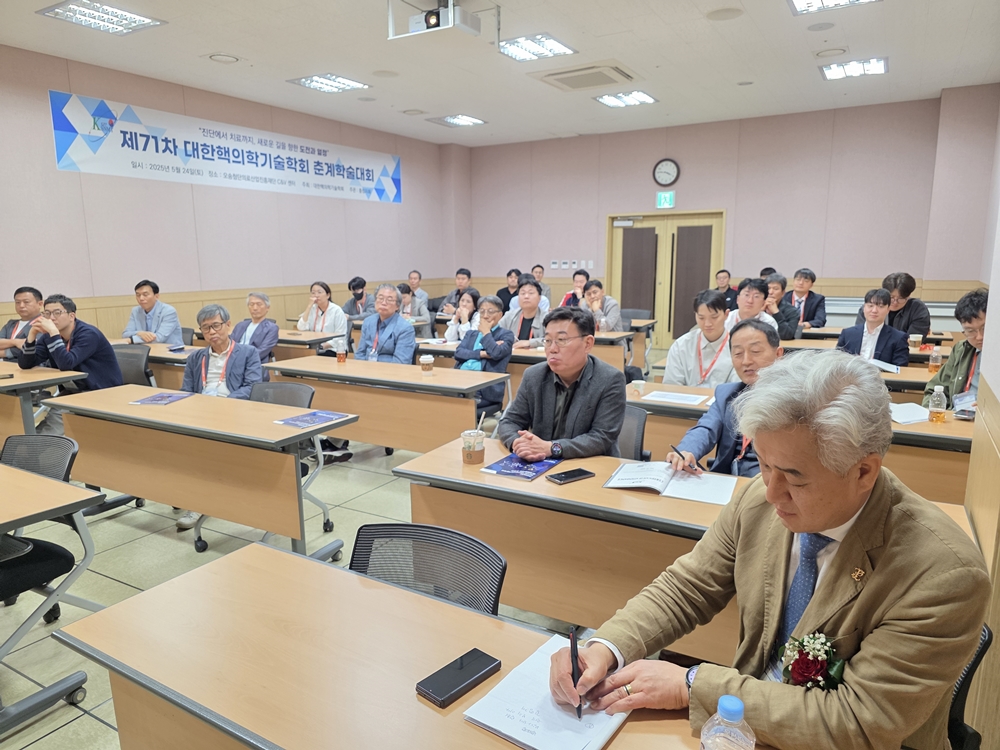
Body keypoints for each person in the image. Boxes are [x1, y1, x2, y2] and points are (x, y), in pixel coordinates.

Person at [549, 349, 989, 750]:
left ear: (863, 472)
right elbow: (688, 587)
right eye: (763, 464)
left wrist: (692, 685)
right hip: (747, 725)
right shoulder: (757, 498)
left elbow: (857, 721)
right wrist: (605, 647)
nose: (772, 492)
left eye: (795, 478)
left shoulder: (943, 574)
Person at [498, 307, 626, 460]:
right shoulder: (534, 376)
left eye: (562, 340)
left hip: (588, 465)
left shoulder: (610, 379)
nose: (552, 349)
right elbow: (510, 421)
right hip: (541, 463)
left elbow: (601, 437)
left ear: (588, 343)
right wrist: (518, 443)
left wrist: (552, 448)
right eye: (548, 341)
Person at [176, 304, 263, 530]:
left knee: (203, 449)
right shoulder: (196, 358)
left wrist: (225, 403)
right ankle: (188, 494)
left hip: (233, 412)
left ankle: (199, 502)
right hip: (201, 412)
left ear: (228, 325)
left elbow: (252, 386)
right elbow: (186, 390)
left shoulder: (248, 353)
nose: (212, 332)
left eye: (216, 325)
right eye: (206, 328)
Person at [667, 319, 782, 477]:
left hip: (769, 482)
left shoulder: (796, 400)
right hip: (727, 481)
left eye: (755, 351)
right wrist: (686, 451)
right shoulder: (727, 394)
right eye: (738, 354)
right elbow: (705, 429)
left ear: (778, 354)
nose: (746, 361)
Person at [17, 294, 123, 435]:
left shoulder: (88, 334)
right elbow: (25, 364)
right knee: (43, 423)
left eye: (57, 313)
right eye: (47, 313)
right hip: (72, 392)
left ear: (72, 316)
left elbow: (66, 363)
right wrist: (31, 336)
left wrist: (53, 333)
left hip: (100, 392)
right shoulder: (49, 336)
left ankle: (35, 446)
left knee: (50, 431)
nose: (51, 318)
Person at [923, 288, 987, 409]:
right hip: (957, 415)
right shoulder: (961, 349)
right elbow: (934, 389)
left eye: (984, 328)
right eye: (970, 331)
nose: (979, 337)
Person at [662, 290, 738, 388]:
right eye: (701, 318)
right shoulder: (681, 345)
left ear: (726, 314)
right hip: (685, 397)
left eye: (714, 317)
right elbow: (671, 386)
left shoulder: (737, 347)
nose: (707, 324)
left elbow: (736, 389)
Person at [454, 295, 514, 418]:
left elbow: (496, 353)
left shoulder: (506, 335)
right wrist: (482, 354)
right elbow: (458, 353)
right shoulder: (471, 334)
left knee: (456, 407)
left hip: (483, 391)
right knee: (436, 400)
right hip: (460, 383)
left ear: (500, 315)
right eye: (482, 311)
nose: (485, 316)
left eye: (490, 311)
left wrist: (486, 332)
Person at [837, 289, 909, 367]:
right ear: (864, 308)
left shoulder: (898, 338)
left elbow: (901, 369)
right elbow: (837, 362)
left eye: (880, 306)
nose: (874, 310)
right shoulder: (847, 334)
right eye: (870, 306)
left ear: (888, 310)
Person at [852, 272, 931, 338]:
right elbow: (860, 335)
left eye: (901, 298)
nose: (895, 302)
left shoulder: (918, 309)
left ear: (909, 296)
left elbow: (913, 339)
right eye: (891, 297)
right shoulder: (870, 309)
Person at [355, 284, 416, 364]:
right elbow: (360, 354)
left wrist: (375, 367)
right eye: (380, 298)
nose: (383, 303)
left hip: (390, 370)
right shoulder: (368, 322)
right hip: (366, 369)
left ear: (397, 306)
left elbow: (401, 362)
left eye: (389, 300)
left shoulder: (405, 328)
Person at [231, 292, 280, 380]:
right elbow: (229, 345)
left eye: (259, 304)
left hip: (253, 367)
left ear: (267, 307)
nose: (255, 308)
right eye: (251, 304)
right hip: (233, 365)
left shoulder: (272, 328)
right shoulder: (240, 325)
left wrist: (239, 360)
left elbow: (262, 351)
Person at [121, 279, 183, 346]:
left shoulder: (169, 311)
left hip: (170, 350)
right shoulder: (135, 311)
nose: (141, 298)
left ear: (156, 296)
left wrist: (131, 340)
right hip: (146, 349)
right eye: (138, 295)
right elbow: (125, 334)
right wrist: (139, 333)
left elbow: (159, 338)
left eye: (145, 294)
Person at [297, 281, 349, 353]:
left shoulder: (337, 311)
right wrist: (309, 306)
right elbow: (301, 328)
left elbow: (340, 336)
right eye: (313, 293)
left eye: (319, 292)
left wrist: (322, 346)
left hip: (334, 349)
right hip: (314, 348)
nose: (316, 295)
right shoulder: (312, 309)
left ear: (328, 295)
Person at [499, 278, 545, 349]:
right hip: (513, 355)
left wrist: (530, 343)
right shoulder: (509, 316)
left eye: (531, 293)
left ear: (539, 298)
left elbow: (552, 340)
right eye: (523, 293)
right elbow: (497, 334)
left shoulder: (548, 318)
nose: (526, 296)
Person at [0, 286, 43, 361]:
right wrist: (16, 342)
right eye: (18, 302)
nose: (21, 305)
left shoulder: (43, 323)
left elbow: (33, 348)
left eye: (26, 302)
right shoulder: (10, 324)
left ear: (40, 304)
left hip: (29, 366)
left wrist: (5, 350)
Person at [763, 273, 800, 340]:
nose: (770, 292)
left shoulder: (792, 311)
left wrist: (776, 313)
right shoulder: (757, 307)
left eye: (775, 289)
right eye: (768, 288)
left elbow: (787, 335)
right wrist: (759, 312)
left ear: (783, 293)